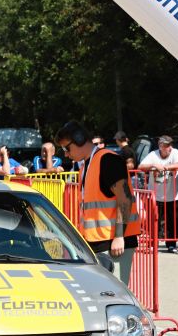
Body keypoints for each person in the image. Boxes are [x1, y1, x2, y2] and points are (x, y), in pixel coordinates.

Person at [56, 121, 140, 285]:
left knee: (114, 292)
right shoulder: (86, 165)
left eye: (67, 148)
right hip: (98, 242)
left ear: (79, 140)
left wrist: (119, 236)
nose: (66, 154)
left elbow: (125, 198)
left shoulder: (108, 160)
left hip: (114, 243)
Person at [138, 135, 178, 252]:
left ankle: (171, 245)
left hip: (173, 195)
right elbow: (141, 166)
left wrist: (164, 167)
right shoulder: (153, 154)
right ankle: (153, 244)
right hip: (156, 195)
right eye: (166, 145)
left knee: (173, 221)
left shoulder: (175, 152)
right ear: (160, 146)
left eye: (170, 145)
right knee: (154, 220)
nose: (169, 147)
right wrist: (153, 165)